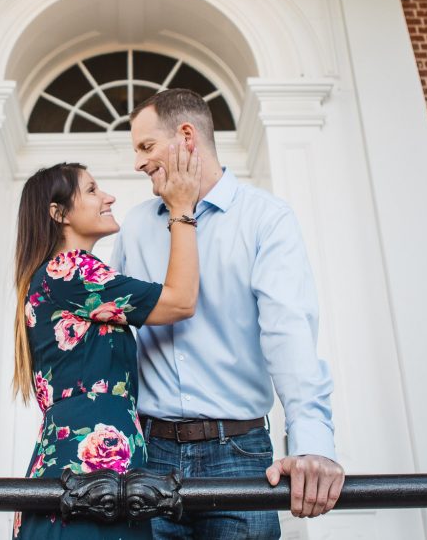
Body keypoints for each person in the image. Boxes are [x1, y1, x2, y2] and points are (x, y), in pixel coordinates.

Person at [111, 89, 345, 539]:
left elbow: (288, 333)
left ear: (186, 137)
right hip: (147, 453)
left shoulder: (266, 218)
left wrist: (314, 444)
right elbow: (118, 343)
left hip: (238, 452)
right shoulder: (137, 226)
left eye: (145, 147)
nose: (138, 163)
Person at [11, 149, 201, 540]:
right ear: (59, 213)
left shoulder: (56, 277)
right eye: (93, 190)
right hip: (87, 477)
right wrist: (183, 210)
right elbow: (180, 300)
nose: (108, 197)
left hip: (88, 471)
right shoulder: (71, 270)